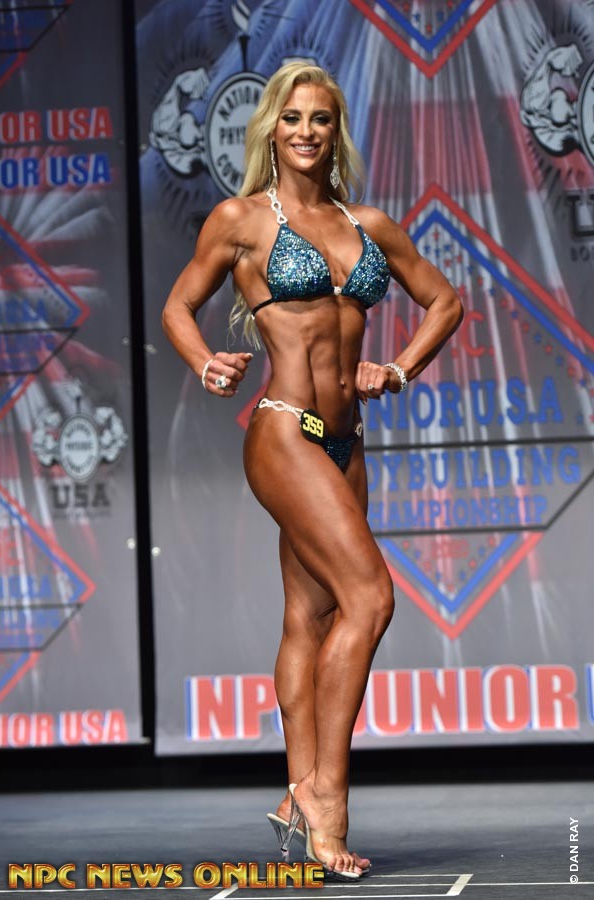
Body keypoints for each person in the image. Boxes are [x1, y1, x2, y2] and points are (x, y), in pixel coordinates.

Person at [162, 62, 463, 879]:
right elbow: (178, 305)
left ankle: (297, 795)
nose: (305, 131)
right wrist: (204, 360)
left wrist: (396, 369)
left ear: (335, 131)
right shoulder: (241, 220)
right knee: (371, 597)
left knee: (313, 618)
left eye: (320, 119)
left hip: (346, 442)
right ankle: (327, 797)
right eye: (292, 118)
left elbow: (446, 301)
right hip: (284, 430)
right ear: (271, 128)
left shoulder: (368, 224)